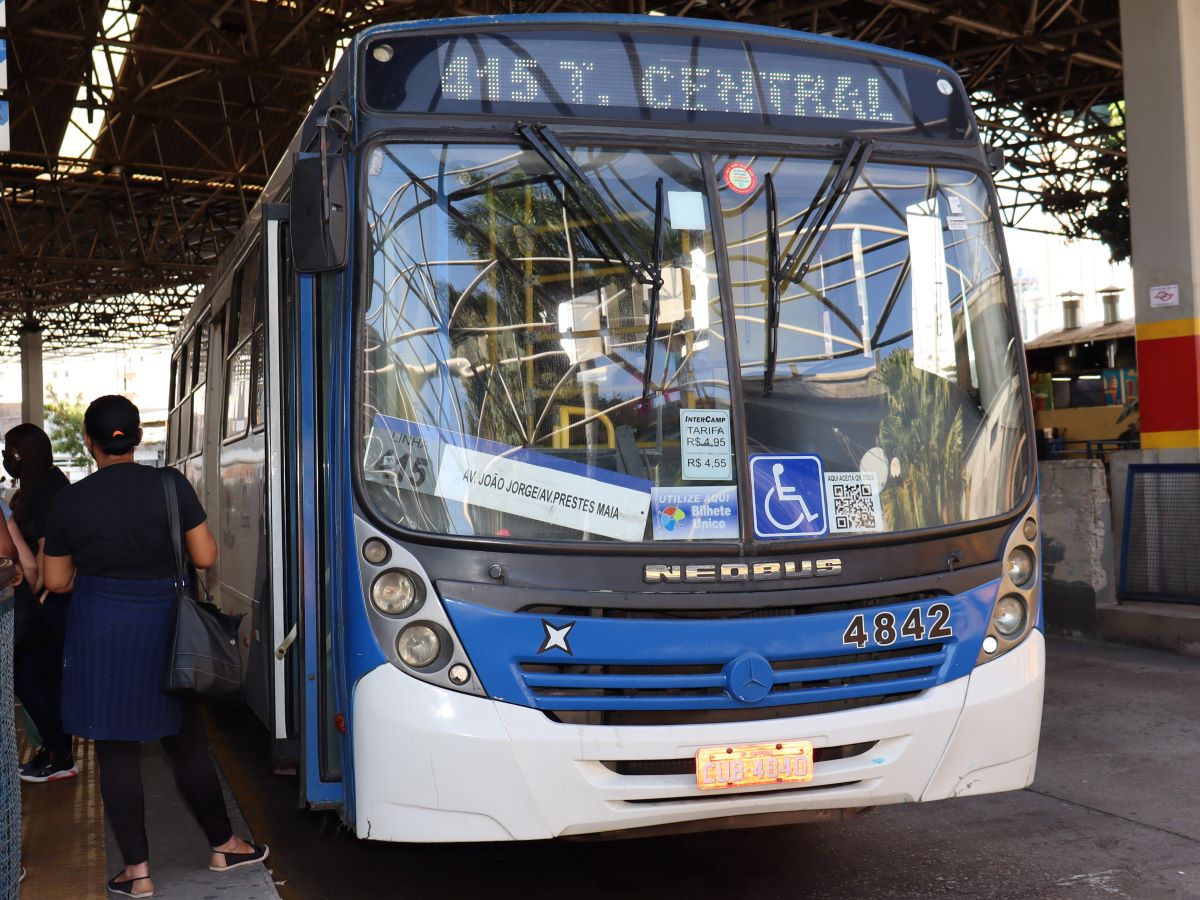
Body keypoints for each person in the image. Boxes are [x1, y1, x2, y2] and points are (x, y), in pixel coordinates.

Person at [42, 396, 266, 898]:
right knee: (184, 741)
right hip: (165, 629)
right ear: (137, 437)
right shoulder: (171, 485)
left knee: (116, 751)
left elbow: (56, 581)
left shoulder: (70, 501)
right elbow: (204, 556)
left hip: (101, 630)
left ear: (89, 442)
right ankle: (223, 843)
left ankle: (137, 873)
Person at [3, 424, 75, 782]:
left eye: (10, 452)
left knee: (35, 680)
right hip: (45, 599)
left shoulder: (48, 489)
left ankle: (60, 755)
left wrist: (37, 595)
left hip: (50, 600)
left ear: (24, 454)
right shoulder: (41, 486)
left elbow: (46, 552)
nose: (6, 459)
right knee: (41, 680)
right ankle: (55, 750)